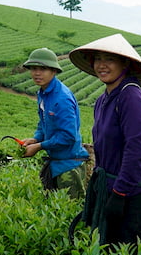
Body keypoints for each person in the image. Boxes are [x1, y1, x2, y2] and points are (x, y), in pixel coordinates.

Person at [69, 33, 141, 247]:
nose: (102, 65)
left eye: (110, 59)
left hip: (129, 196)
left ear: (125, 64)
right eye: (98, 59)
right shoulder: (103, 99)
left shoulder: (131, 97)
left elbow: (136, 149)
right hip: (108, 188)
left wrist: (120, 193)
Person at [21, 47, 90, 199]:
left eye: (43, 69)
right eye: (33, 69)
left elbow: (68, 136)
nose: (37, 73)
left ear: (54, 71)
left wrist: (39, 147)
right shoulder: (43, 93)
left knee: (70, 212)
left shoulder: (61, 98)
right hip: (56, 163)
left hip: (68, 167)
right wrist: (36, 138)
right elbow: (44, 122)